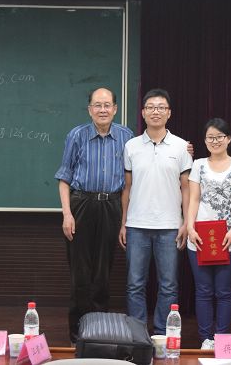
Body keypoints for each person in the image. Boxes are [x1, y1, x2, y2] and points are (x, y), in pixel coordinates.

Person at [55, 87, 134, 343]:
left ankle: (98, 333)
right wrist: (67, 214)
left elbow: (131, 180)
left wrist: (124, 221)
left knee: (103, 273)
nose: (102, 110)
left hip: (111, 206)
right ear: (90, 109)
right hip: (82, 205)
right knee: (80, 273)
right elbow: (64, 178)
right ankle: (77, 334)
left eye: (107, 105)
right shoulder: (76, 135)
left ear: (115, 109)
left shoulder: (126, 137)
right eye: (97, 105)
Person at [119, 88, 193, 335]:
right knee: (134, 284)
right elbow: (127, 187)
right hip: (136, 225)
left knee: (169, 285)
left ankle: (162, 334)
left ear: (169, 113)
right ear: (142, 112)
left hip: (170, 226)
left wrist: (186, 222)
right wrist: (123, 223)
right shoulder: (131, 146)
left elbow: (186, 188)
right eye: (150, 107)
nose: (155, 112)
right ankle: (138, 334)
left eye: (161, 107)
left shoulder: (181, 147)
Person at [186, 118, 231, 350]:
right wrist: (190, 227)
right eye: (210, 137)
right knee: (203, 291)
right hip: (200, 237)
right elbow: (194, 198)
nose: (215, 141)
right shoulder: (198, 164)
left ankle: (221, 338)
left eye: (219, 137)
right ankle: (206, 339)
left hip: (228, 238)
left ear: (228, 139)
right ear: (205, 141)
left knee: (224, 291)